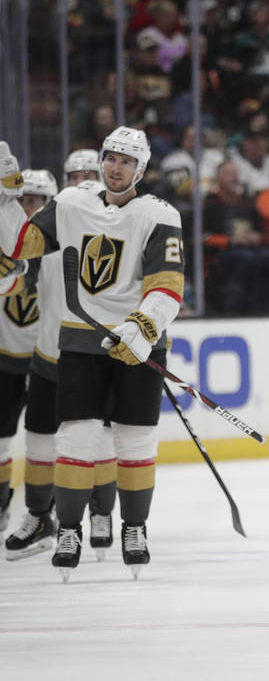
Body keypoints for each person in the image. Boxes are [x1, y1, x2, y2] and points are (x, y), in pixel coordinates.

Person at [0, 127, 185, 581]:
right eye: (110, 158)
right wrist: (6, 199)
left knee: (136, 442)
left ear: (140, 169)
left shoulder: (160, 214)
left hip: (138, 344)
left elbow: (168, 285)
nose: (115, 166)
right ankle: (69, 530)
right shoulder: (70, 202)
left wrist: (143, 326)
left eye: (126, 160)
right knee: (76, 441)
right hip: (80, 340)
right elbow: (19, 247)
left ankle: (134, 527)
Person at [5, 156, 120, 562]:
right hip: (47, 358)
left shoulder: (114, 234)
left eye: (90, 177)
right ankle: (40, 517)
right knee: (38, 440)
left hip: (93, 358)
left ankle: (102, 511)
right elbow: (13, 273)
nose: (83, 184)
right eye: (76, 177)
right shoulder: (47, 236)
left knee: (99, 441)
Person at [0, 170, 48, 543]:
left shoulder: (62, 245)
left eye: (36, 200)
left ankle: (49, 511)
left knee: (50, 440)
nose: (28, 206)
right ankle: (2, 504)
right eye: (22, 199)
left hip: (49, 361)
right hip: (6, 358)